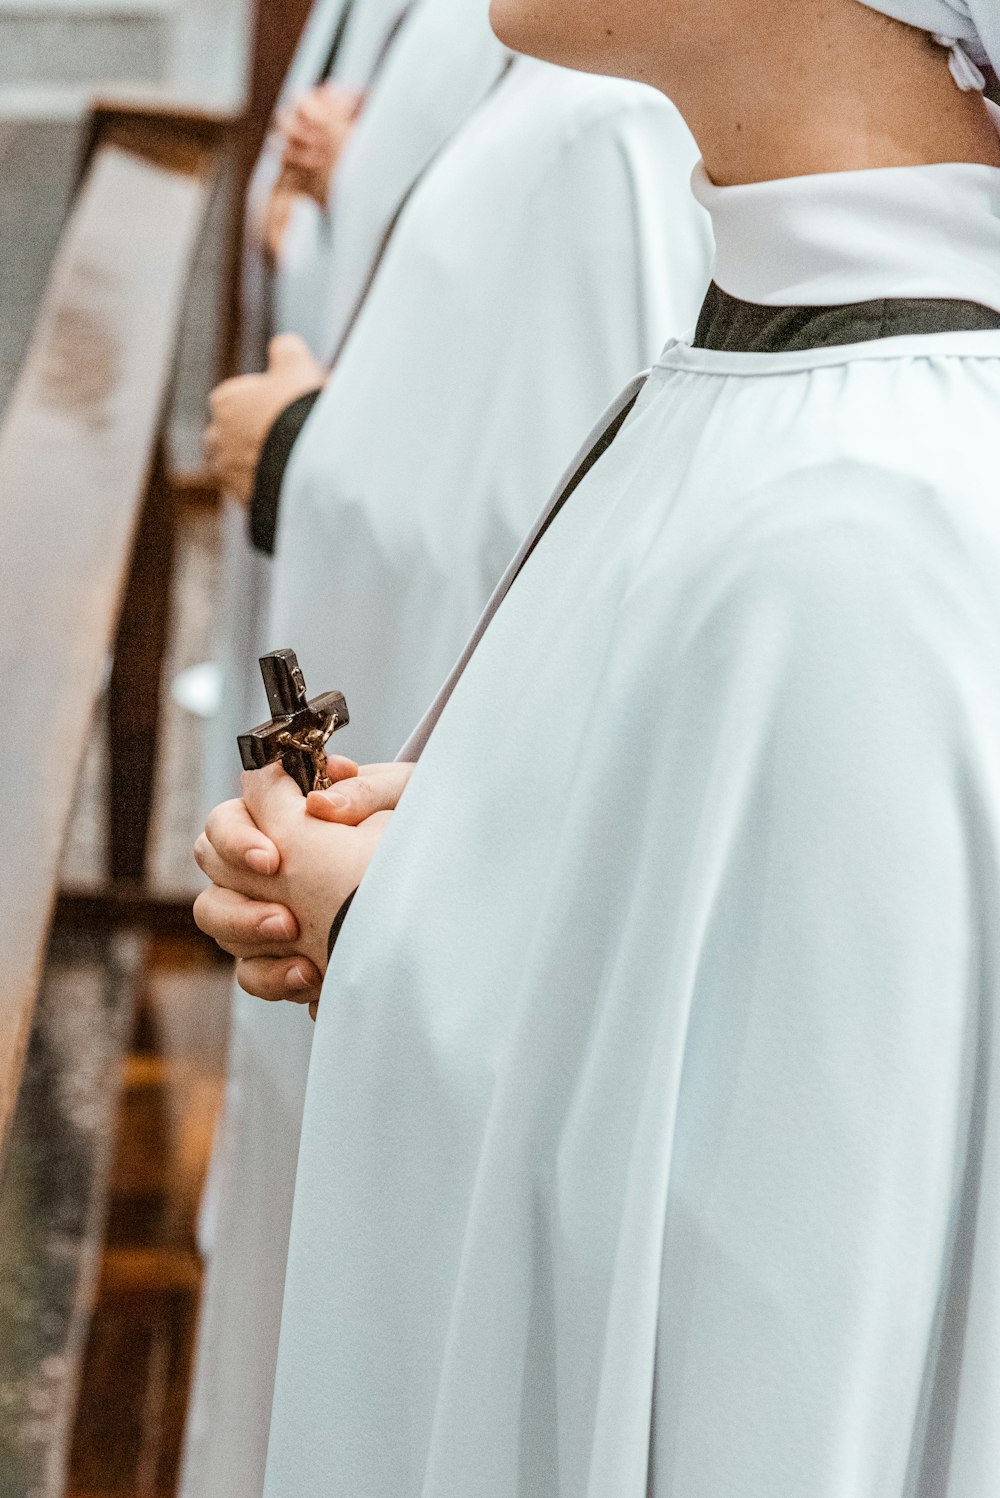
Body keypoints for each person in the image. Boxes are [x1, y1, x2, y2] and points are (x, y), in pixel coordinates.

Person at [195, 0, 1000, 1493]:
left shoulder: (873, 518)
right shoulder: (771, 371)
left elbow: (780, 1325)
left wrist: (382, 921)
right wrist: (481, 843)